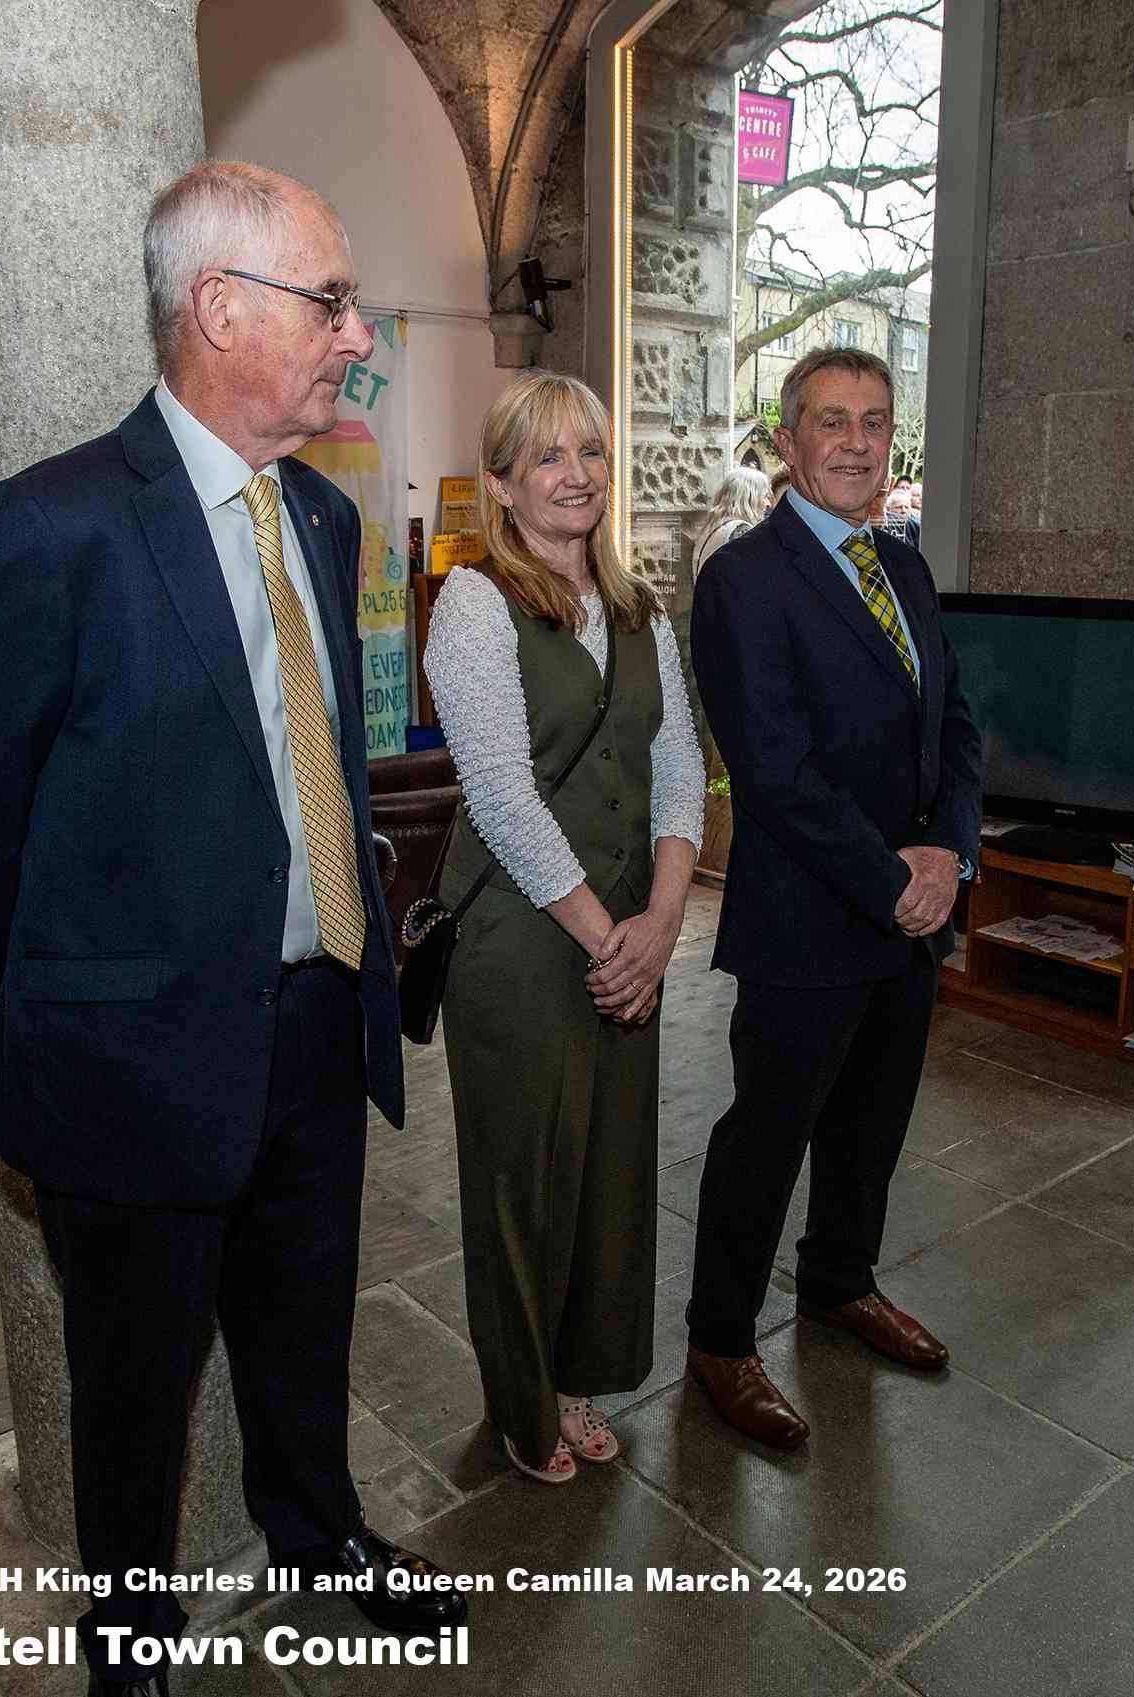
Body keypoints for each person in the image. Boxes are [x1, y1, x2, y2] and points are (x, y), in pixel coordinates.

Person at [0, 161, 461, 1695]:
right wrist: (74, 999)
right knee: (133, 1383)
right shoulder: (57, 526)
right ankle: (133, 1641)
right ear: (220, 308)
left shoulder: (325, 518)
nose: (358, 334)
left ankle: (320, 1533)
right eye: (333, 299)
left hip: (314, 1022)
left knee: (303, 1332)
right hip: (134, 1057)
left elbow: (315, 760)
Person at [684, 347, 982, 1448]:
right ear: (788, 438)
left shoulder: (903, 568)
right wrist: (892, 879)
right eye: (830, 421)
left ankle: (839, 1283)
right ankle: (721, 1337)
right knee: (769, 1134)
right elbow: (772, 770)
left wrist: (949, 855)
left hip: (911, 919)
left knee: (871, 1124)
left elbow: (955, 724)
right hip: (809, 920)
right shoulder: (744, 579)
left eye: (874, 422)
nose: (855, 441)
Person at [423, 373, 703, 1484]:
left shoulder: (640, 607)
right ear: (500, 482)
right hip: (524, 939)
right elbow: (498, 792)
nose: (576, 473)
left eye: (589, 449)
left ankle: (580, 1371)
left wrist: (665, 923)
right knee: (523, 1177)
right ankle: (523, 1403)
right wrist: (611, 938)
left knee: (610, 1170)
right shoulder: (475, 602)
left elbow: (680, 766)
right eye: (546, 456)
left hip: (633, 925)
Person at [692, 463, 769, 575]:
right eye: (764, 496)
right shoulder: (741, 530)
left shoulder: (713, 525)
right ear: (749, 498)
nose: (768, 503)